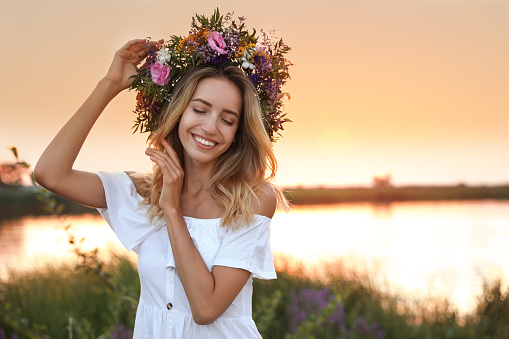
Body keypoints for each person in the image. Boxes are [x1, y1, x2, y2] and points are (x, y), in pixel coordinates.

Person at [34, 11, 292, 338]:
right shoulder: (142, 192)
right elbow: (49, 173)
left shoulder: (253, 199)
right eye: (199, 109)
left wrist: (172, 210)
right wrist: (110, 84)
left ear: (239, 133)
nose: (210, 127)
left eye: (228, 120)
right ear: (178, 113)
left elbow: (206, 309)